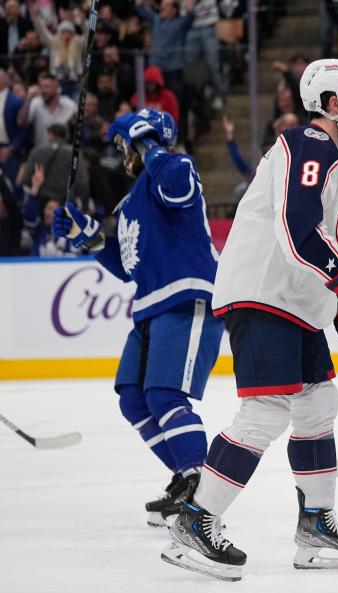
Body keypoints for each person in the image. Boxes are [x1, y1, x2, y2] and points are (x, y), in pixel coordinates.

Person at [161, 59, 338, 582]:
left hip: (292, 301)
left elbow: (311, 238)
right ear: (332, 102)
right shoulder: (310, 143)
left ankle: (315, 524)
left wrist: (337, 306)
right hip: (264, 295)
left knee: (317, 402)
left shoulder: (325, 152)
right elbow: (297, 227)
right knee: (264, 412)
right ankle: (196, 519)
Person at [51, 109, 222, 527]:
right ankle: (185, 477)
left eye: (125, 143)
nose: (121, 152)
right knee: (132, 396)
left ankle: (202, 492)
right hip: (149, 306)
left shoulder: (175, 167)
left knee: (166, 397)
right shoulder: (130, 202)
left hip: (185, 297)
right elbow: (128, 264)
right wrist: (88, 237)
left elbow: (178, 189)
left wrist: (150, 147)